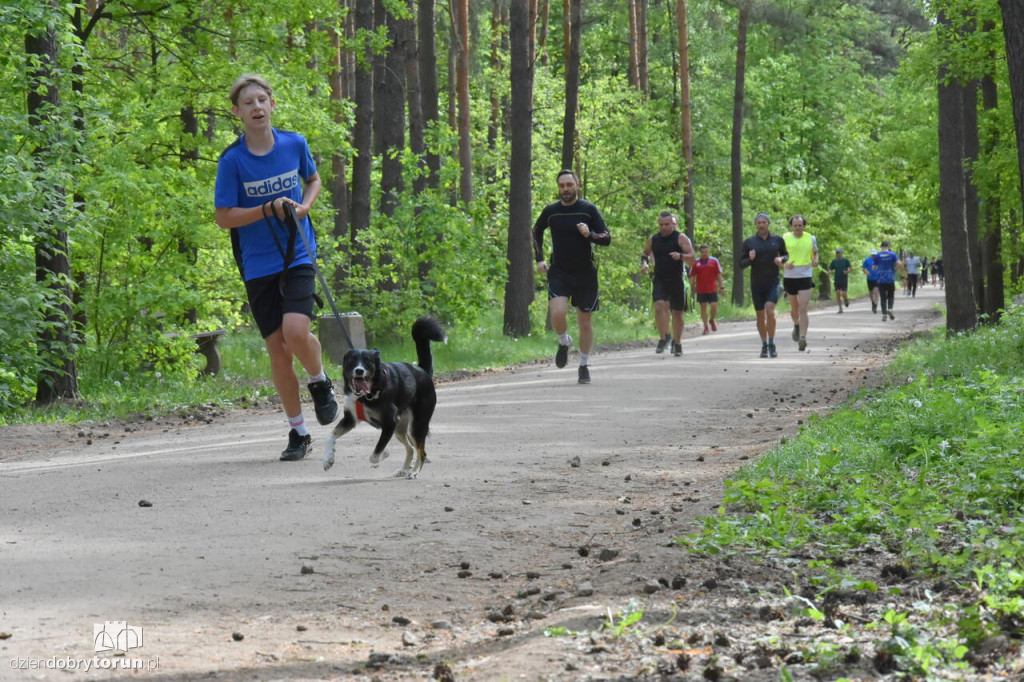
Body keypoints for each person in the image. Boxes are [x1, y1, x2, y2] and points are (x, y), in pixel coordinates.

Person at [215, 74, 339, 462]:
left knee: (296, 330)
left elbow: (314, 179)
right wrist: (266, 208)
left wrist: (304, 206)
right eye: (247, 103)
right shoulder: (232, 160)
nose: (256, 107)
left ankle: (319, 382)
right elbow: (223, 217)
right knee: (278, 351)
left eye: (261, 100)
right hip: (258, 265)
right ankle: (298, 432)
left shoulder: (294, 144)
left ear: (272, 105)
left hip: (298, 252)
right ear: (237, 113)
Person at [533, 169, 612, 384]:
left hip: (585, 273)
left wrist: (591, 235)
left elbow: (606, 237)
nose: (565, 189)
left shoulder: (589, 209)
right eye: (562, 186)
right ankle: (563, 340)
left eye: (569, 185)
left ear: (577, 185)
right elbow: (536, 231)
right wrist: (539, 258)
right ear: (558, 188)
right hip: (559, 271)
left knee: (584, 321)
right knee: (557, 313)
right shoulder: (551, 211)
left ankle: (584, 365)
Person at [640, 212, 695, 356]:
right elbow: (645, 253)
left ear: (673, 224)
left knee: (677, 313)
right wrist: (644, 264)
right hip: (660, 278)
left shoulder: (681, 238)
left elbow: (692, 258)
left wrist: (681, 256)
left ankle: (677, 343)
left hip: (677, 280)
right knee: (659, 306)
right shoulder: (653, 239)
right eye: (661, 225)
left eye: (667, 224)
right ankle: (664, 337)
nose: (663, 227)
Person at [740, 213, 788, 358]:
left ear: (768, 224)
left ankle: (772, 343)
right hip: (757, 284)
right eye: (758, 223)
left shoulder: (777, 240)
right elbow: (741, 264)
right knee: (760, 316)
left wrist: (781, 259)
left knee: (770, 310)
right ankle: (764, 344)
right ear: (756, 225)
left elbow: (786, 256)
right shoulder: (749, 242)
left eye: (764, 222)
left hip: (773, 282)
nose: (761, 225)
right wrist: (750, 258)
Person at [782, 215, 818, 352]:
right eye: (795, 225)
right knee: (794, 308)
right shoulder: (785, 238)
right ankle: (796, 324)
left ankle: (803, 337)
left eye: (800, 225)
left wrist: (815, 260)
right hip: (790, 276)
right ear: (791, 226)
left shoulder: (811, 238)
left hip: (805, 275)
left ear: (804, 226)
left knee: (803, 307)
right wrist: (785, 265)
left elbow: (815, 253)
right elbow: (779, 257)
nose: (798, 228)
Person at [688, 244, 725, 335]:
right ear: (700, 252)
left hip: (712, 288)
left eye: (706, 252)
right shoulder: (695, 263)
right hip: (701, 289)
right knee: (703, 307)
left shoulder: (714, 261)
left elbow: (719, 275)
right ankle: (705, 327)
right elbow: (692, 276)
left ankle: (711, 319)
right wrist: (692, 286)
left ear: (709, 251)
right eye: (703, 252)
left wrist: (721, 287)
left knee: (713, 306)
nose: (704, 253)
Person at [872, 240, 902, 321]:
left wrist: (878, 268)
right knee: (891, 295)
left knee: (883, 297)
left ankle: (884, 314)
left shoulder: (877, 256)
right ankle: (890, 309)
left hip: (881, 279)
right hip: (890, 277)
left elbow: (874, 268)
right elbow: (899, 263)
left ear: (881, 247)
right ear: (888, 247)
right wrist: (895, 269)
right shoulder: (893, 254)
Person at [828, 247, 852, 314]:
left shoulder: (845, 260)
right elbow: (830, 268)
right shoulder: (834, 261)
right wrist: (830, 271)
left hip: (844, 279)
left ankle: (846, 300)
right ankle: (840, 308)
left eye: (839, 253)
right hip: (837, 279)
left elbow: (851, 268)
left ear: (841, 253)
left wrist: (847, 272)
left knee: (843, 293)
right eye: (836, 253)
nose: (837, 254)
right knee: (838, 293)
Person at [862, 249, 880, 314]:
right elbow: (863, 268)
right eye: (873, 255)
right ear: (871, 254)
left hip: (877, 278)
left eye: (875, 255)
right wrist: (866, 272)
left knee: (876, 291)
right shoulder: (867, 260)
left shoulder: (878, 260)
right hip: (870, 278)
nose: (874, 256)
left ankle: (875, 305)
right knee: (871, 292)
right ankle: (873, 303)